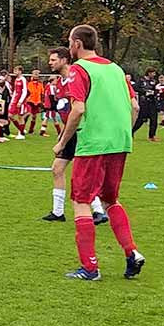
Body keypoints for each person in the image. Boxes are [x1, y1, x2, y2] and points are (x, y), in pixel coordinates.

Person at [54, 24, 144, 281]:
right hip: (120, 143)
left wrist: (62, 142)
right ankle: (131, 252)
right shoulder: (116, 69)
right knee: (110, 200)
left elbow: (78, 109)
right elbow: (134, 107)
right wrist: (123, 132)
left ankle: (90, 268)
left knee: (81, 201)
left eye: (70, 41)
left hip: (94, 144)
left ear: (77, 44)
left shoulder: (80, 69)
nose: (70, 46)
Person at [42, 47, 109, 225]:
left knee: (83, 174)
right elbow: (67, 112)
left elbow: (81, 108)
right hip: (71, 132)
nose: (50, 63)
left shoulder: (77, 76)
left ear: (64, 60)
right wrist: (63, 134)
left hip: (84, 131)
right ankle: (58, 212)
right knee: (57, 169)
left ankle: (98, 211)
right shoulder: (58, 83)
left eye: (53, 59)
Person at [132, 68, 161, 141]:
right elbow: (135, 87)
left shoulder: (154, 81)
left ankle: (152, 136)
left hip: (152, 102)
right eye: (153, 73)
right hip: (144, 102)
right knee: (141, 120)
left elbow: (156, 90)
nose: (154, 75)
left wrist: (154, 92)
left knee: (154, 119)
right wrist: (144, 92)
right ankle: (131, 132)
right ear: (149, 73)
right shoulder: (141, 80)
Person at [9, 66, 28, 138]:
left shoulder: (23, 79)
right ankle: (21, 130)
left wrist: (20, 101)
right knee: (10, 115)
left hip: (21, 100)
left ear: (20, 71)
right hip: (15, 100)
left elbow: (25, 91)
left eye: (16, 70)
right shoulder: (16, 79)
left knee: (20, 117)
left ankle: (21, 134)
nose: (14, 72)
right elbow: (15, 91)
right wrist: (12, 100)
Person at [26, 70, 46, 136]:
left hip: (37, 102)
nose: (36, 75)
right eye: (35, 74)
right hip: (29, 101)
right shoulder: (29, 84)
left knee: (34, 117)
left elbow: (42, 93)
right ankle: (22, 127)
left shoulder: (40, 84)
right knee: (27, 114)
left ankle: (31, 130)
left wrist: (42, 102)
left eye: (37, 74)